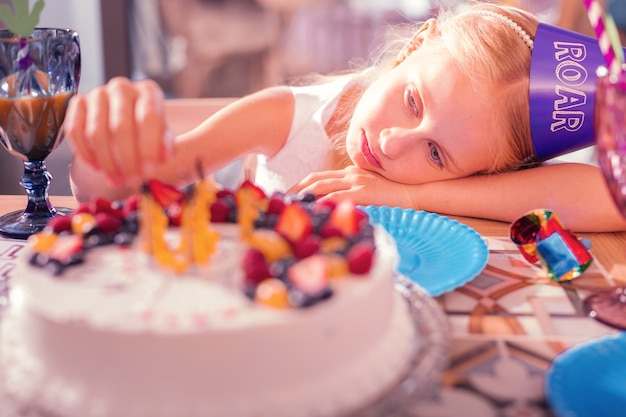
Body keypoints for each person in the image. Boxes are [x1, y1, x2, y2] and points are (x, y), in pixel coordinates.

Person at [64, 2, 626, 233]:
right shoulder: (287, 115)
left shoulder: (484, 169)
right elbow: (118, 190)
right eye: (413, 101)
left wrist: (410, 197)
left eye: (436, 154)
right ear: (412, 49)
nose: (393, 141)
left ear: (485, 172)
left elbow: (610, 194)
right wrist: (105, 154)